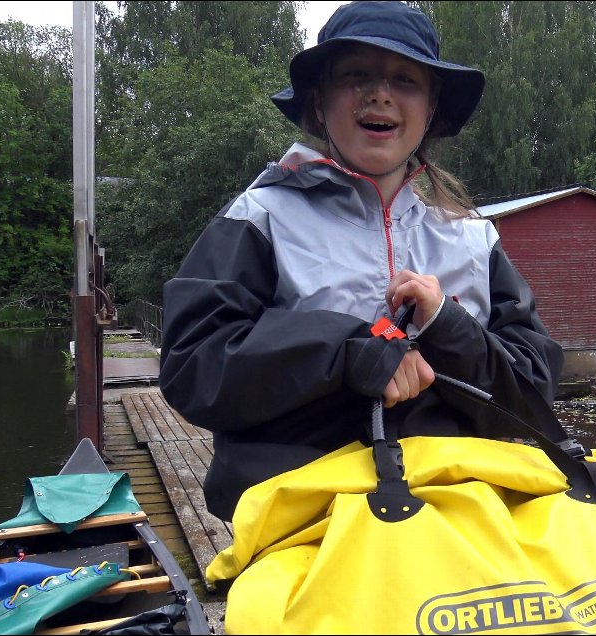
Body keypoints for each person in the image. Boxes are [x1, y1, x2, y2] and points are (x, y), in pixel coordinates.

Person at [159, 0, 564, 523]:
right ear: (320, 102)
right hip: (306, 523)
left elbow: (532, 397)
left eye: (405, 79)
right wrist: (345, 352)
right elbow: (193, 364)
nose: (380, 93)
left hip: (456, 516)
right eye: (356, 75)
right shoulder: (259, 217)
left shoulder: (472, 238)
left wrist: (449, 326)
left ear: (431, 109)